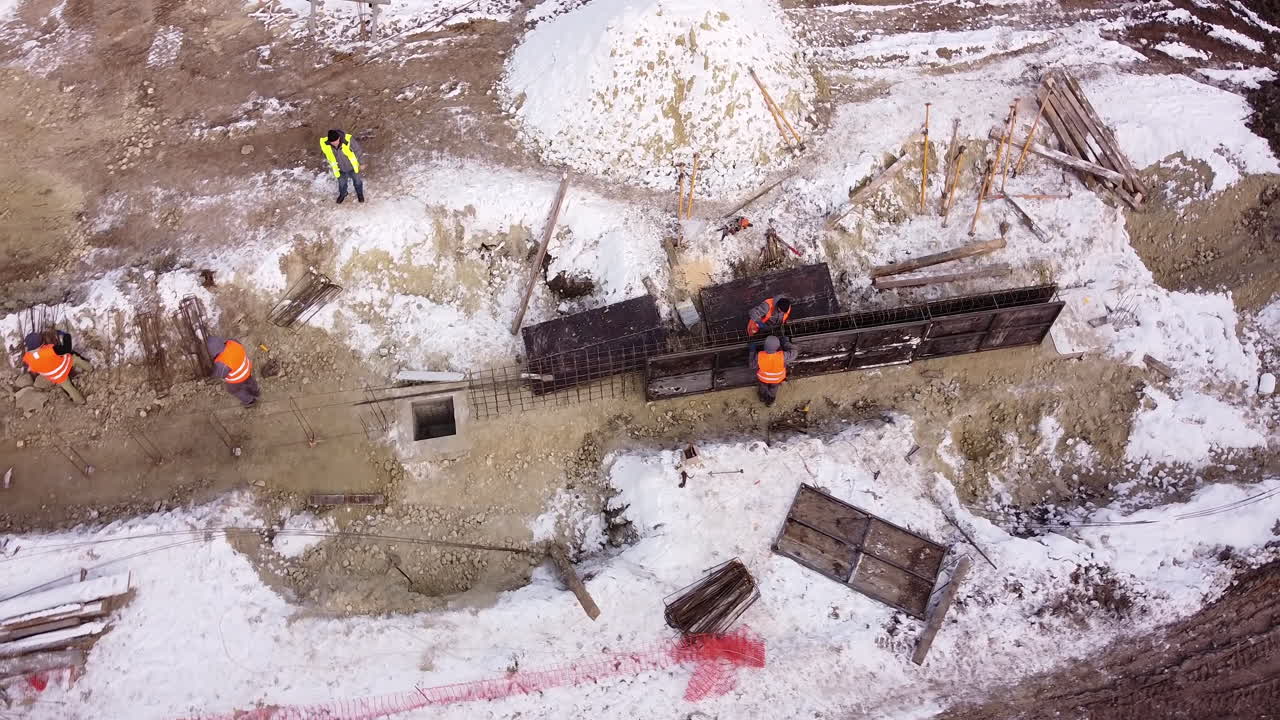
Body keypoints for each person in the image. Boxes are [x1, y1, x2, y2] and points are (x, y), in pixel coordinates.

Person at [22, 329, 91, 404]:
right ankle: (91, 369)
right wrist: (66, 335)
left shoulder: (27, 358)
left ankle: (81, 401)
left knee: (69, 388)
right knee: (76, 359)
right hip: (65, 364)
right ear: (41, 343)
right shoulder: (50, 351)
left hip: (57, 376)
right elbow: (67, 349)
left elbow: (30, 366)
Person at [206, 336, 260, 407]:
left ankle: (250, 401)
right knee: (249, 381)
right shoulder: (233, 342)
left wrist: (212, 376)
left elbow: (221, 374)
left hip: (237, 378)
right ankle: (256, 392)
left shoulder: (222, 362)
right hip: (247, 368)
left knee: (234, 390)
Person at [749, 334, 796, 407]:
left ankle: (762, 397)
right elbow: (794, 352)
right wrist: (785, 342)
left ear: (764, 347)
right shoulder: (782, 356)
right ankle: (770, 401)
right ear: (778, 347)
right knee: (773, 389)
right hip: (777, 379)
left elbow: (752, 365)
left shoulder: (759, 356)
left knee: (763, 387)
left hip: (763, 378)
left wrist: (752, 351)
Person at [319, 129, 364, 204]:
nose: (335, 144)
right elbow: (326, 153)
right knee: (342, 184)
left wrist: (361, 163)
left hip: (352, 167)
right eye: (332, 142)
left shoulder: (348, 139)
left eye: (336, 141)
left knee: (357, 182)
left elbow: (358, 150)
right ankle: (343, 194)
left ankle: (360, 194)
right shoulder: (325, 143)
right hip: (339, 169)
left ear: (339, 138)